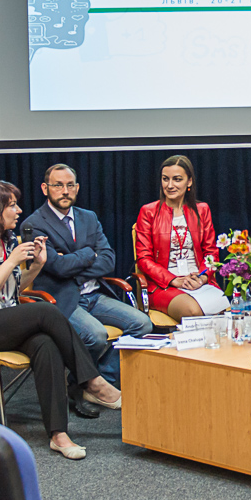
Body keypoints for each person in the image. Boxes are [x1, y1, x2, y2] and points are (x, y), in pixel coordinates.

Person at [0, 180, 121, 459]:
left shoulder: (7, 241)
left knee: (45, 344)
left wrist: (37, 265)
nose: (19, 211)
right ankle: (92, 381)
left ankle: (59, 435)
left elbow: (15, 290)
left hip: (3, 322)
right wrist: (11, 262)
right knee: (45, 311)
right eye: (12, 205)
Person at [21, 163, 154, 387]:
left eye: (70, 185)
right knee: (96, 336)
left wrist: (73, 267)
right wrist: (89, 253)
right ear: (45, 188)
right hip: (61, 298)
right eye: (58, 185)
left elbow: (108, 260)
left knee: (143, 324)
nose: (65, 191)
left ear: (77, 188)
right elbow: (57, 267)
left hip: (95, 295)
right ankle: (89, 386)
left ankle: (96, 382)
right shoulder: (34, 224)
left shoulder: (89, 217)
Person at [135, 155, 229, 321]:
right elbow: (144, 259)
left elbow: (211, 253)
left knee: (228, 308)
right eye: (165, 179)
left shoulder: (202, 210)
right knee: (192, 312)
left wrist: (202, 277)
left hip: (198, 282)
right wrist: (174, 280)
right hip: (164, 286)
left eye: (177, 179)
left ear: (189, 182)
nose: (170, 185)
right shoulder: (148, 212)